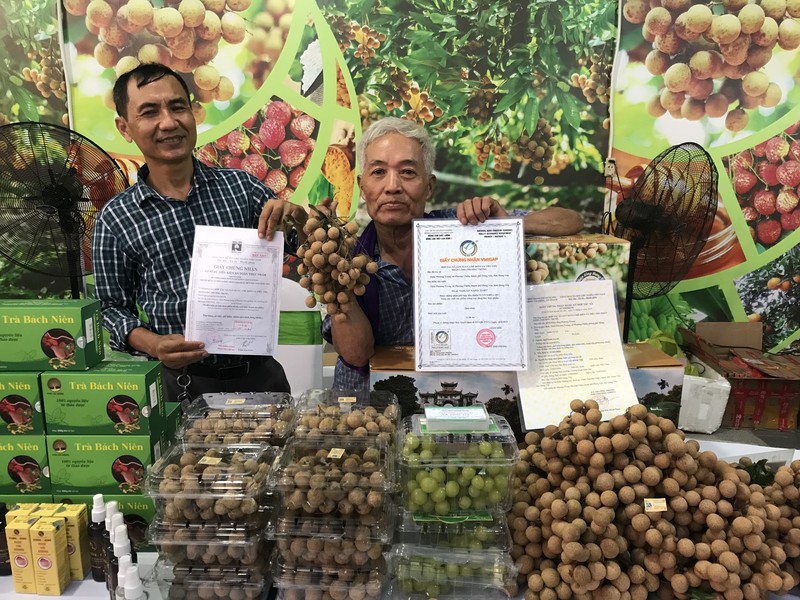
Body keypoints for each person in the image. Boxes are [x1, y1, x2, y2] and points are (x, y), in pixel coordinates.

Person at [92, 63, 304, 402]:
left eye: (178, 107)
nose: (168, 122)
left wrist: (298, 218)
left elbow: (301, 243)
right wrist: (153, 344)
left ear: (193, 112)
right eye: (149, 112)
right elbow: (109, 309)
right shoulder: (117, 219)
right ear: (125, 127)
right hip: (180, 387)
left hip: (261, 378)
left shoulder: (243, 189)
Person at [322, 117, 584, 389]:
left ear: (430, 186)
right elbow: (356, 354)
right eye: (378, 172)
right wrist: (338, 277)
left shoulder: (464, 229)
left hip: (461, 396)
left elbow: (570, 220)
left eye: (408, 172)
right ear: (362, 187)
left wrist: (506, 227)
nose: (392, 186)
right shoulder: (348, 258)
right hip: (371, 407)